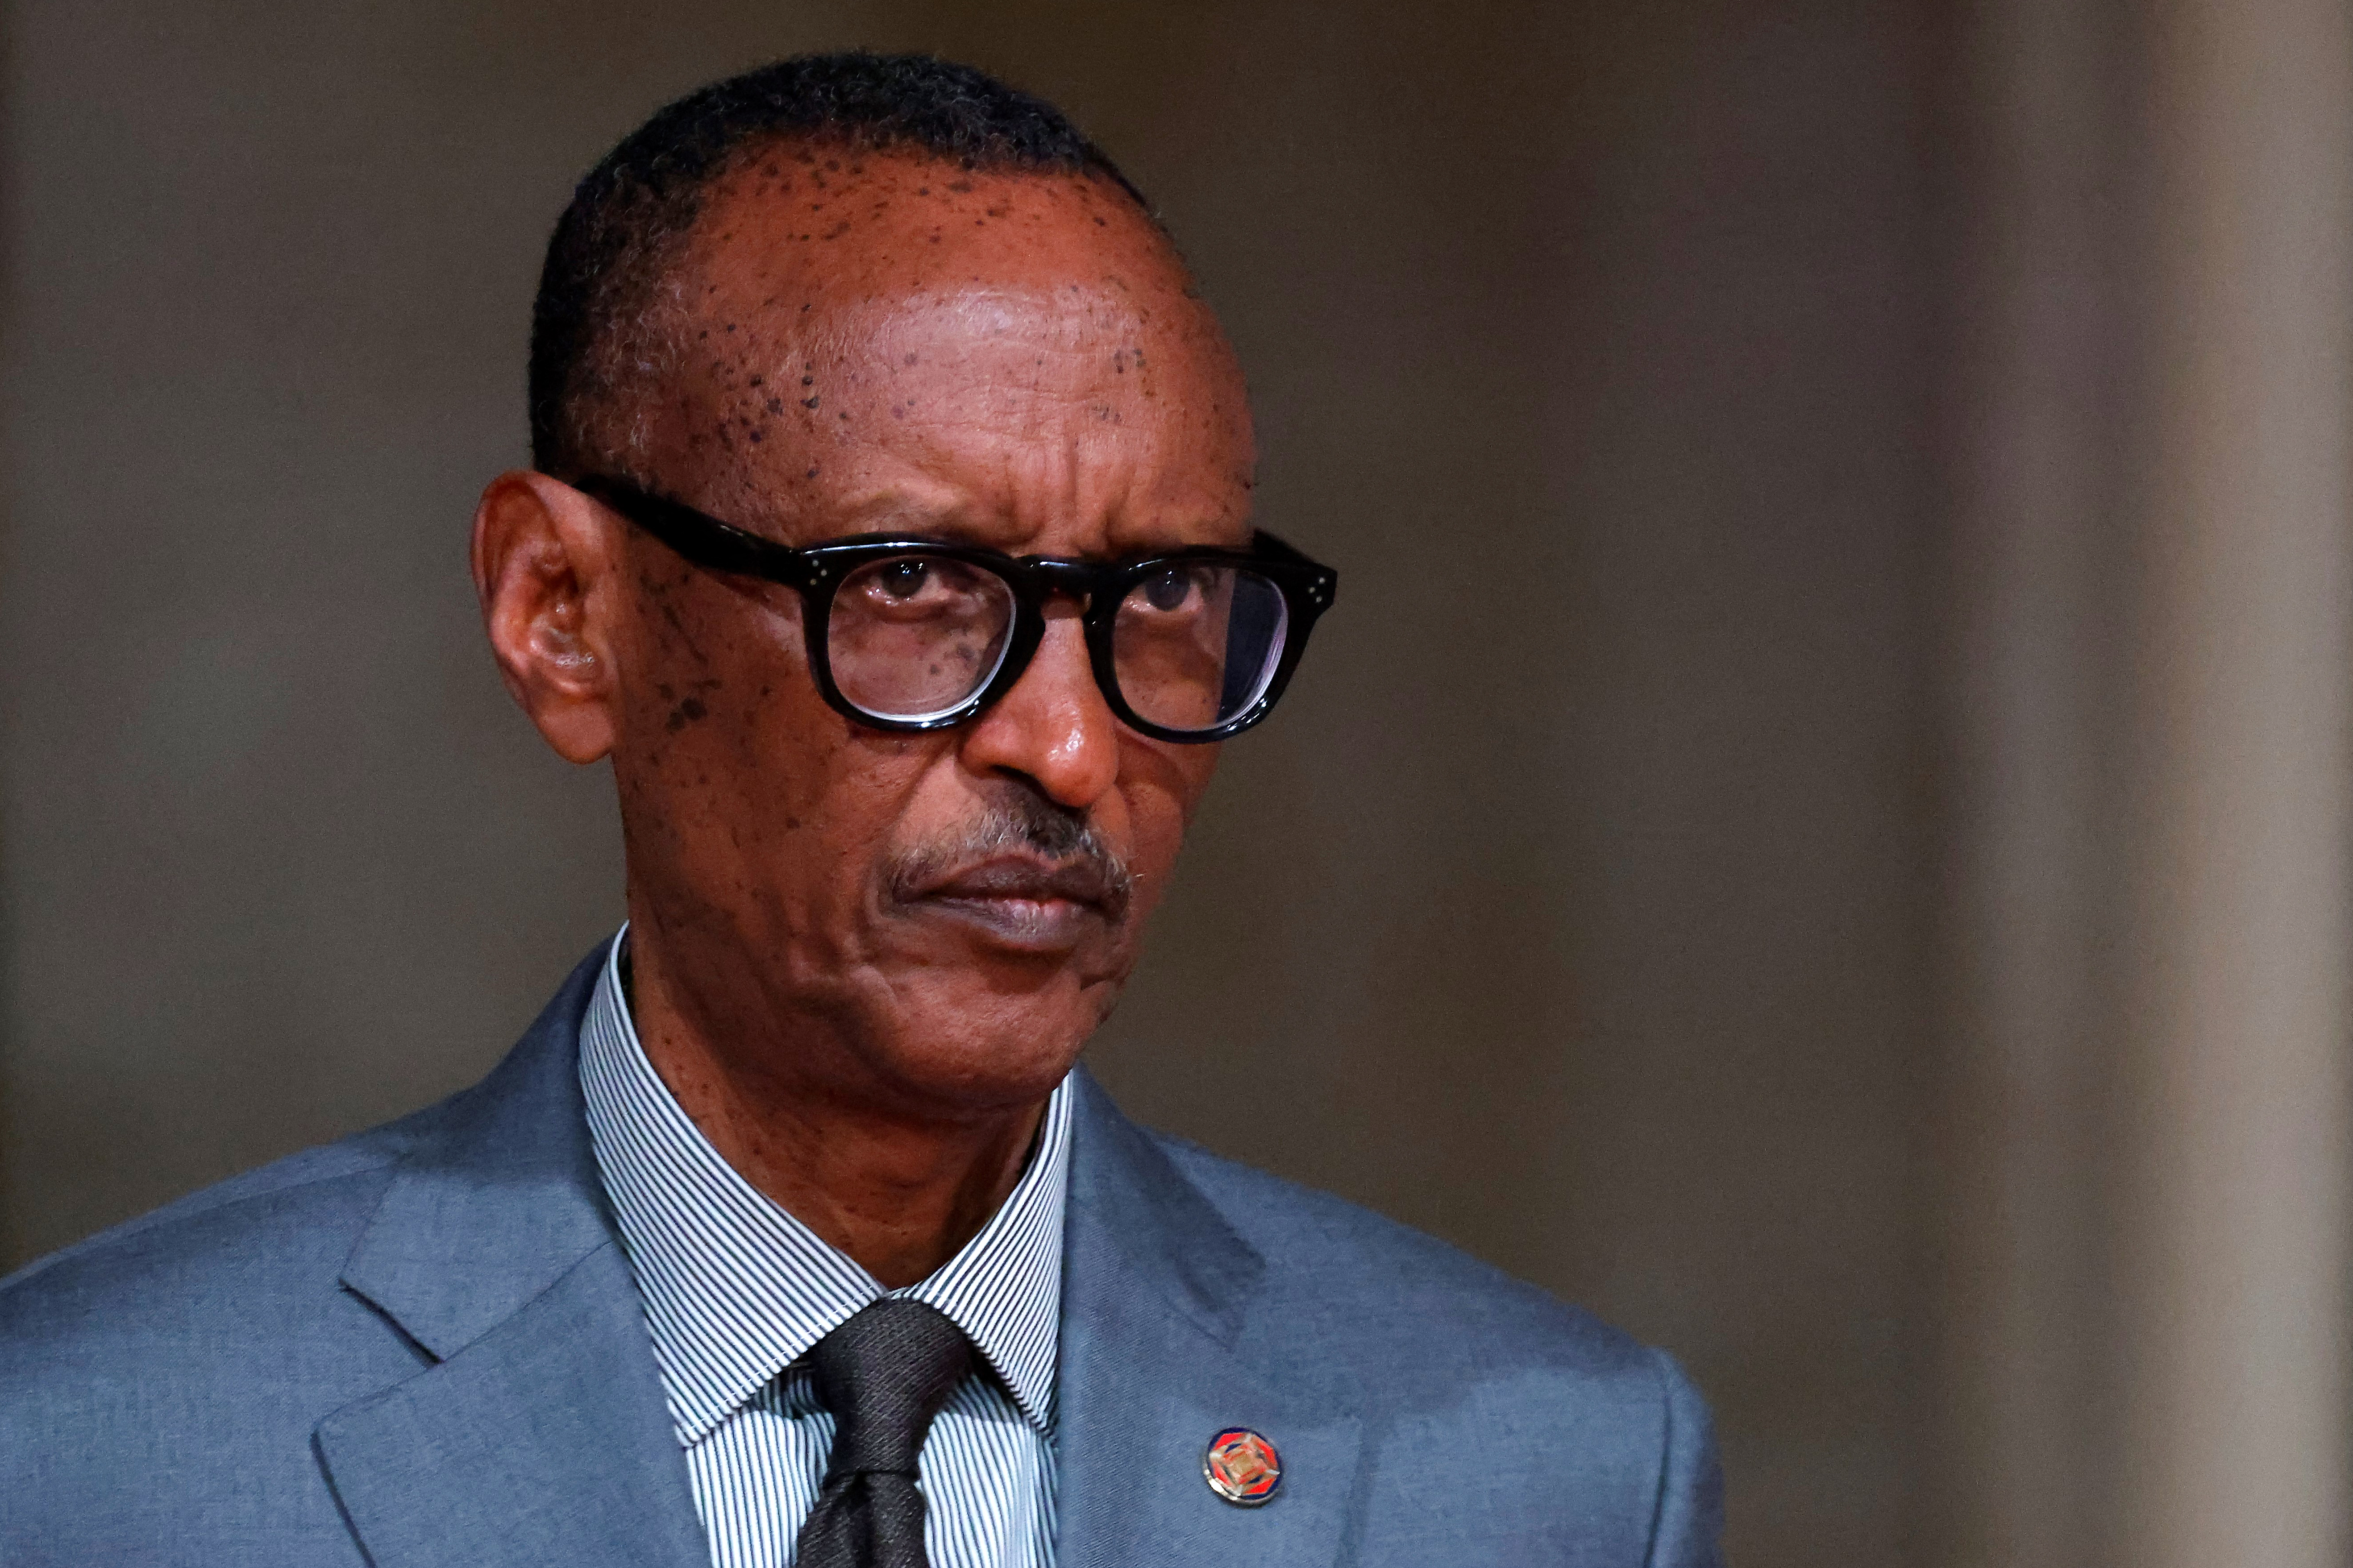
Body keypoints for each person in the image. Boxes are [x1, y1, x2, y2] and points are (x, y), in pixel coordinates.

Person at [0, 52, 1721, 1568]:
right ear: (562, 615)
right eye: (911, 583)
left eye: (1169, 594)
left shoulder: (1544, 1477)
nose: (1066, 744)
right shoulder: (89, 1458)